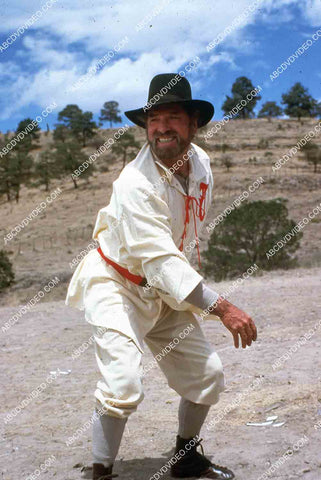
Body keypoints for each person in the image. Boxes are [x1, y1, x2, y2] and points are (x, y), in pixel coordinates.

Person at [65, 72, 257, 480]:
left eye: (172, 117)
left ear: (193, 124)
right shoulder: (134, 184)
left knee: (207, 375)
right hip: (117, 284)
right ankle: (100, 473)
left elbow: (185, 234)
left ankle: (185, 461)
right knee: (122, 386)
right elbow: (158, 260)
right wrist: (221, 306)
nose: (162, 128)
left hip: (164, 291)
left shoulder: (201, 163)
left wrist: (189, 287)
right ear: (145, 126)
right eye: (154, 119)